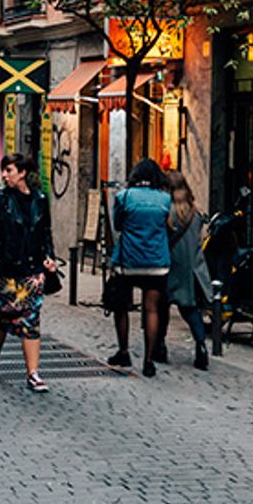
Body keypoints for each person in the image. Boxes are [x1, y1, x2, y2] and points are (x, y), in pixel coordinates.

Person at [0, 153, 57, 392]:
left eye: (9, 170)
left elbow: (45, 232)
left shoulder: (40, 199)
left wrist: (50, 258)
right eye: (4, 170)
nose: (4, 175)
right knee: (3, 317)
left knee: (31, 320)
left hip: (33, 270)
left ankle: (33, 373)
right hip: (5, 269)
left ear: (22, 173)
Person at [106, 158, 173, 378]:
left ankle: (124, 351)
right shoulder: (165, 199)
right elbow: (170, 226)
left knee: (122, 307)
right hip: (156, 263)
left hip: (129, 261)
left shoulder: (124, 197)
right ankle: (148, 360)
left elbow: (117, 225)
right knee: (152, 308)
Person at [165, 170, 212, 371]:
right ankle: (201, 346)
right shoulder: (196, 214)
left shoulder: (167, 214)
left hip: (171, 267)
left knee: (161, 307)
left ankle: (159, 345)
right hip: (192, 269)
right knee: (191, 311)